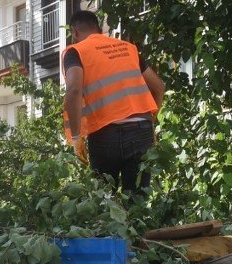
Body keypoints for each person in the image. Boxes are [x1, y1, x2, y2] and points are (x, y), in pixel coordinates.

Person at [62, 10, 167, 192]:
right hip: (141, 133)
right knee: (137, 205)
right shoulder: (128, 48)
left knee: (104, 204)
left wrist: (77, 137)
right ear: (99, 29)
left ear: (75, 32)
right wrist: (151, 121)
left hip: (105, 136)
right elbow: (158, 87)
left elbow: (73, 90)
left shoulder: (76, 52)